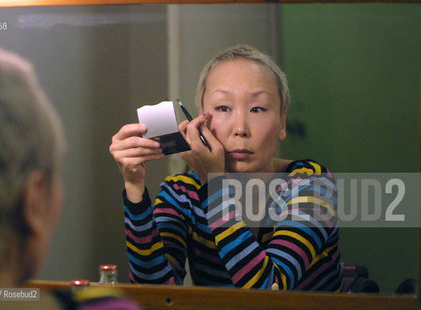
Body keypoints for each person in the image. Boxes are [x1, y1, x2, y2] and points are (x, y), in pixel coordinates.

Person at [0, 40, 144, 310]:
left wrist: (220, 180)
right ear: (33, 201)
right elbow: (156, 278)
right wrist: (219, 183)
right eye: (220, 108)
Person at [110, 44, 342, 291]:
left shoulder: (312, 183)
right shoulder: (181, 193)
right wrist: (134, 186)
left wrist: (213, 183)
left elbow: (268, 291)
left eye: (257, 109)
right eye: (223, 108)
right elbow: (156, 292)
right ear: (200, 120)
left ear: (282, 122)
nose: (240, 128)